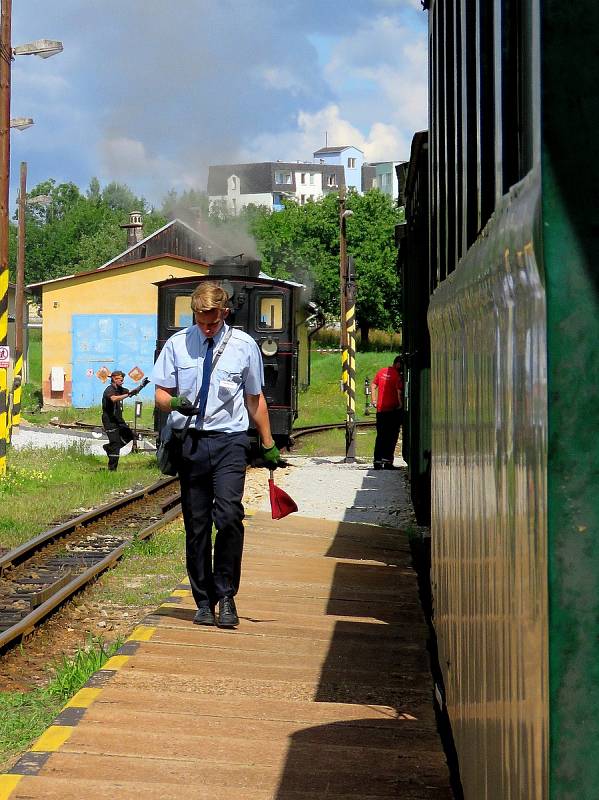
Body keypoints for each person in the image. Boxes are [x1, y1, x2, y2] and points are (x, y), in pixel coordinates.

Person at [151, 282, 280, 629]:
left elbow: (254, 398)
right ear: (193, 314)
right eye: (201, 319)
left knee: (228, 517)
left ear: (224, 313)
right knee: (196, 526)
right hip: (191, 442)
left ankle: (226, 595)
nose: (207, 326)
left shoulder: (244, 346)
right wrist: (175, 402)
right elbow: (160, 394)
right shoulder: (178, 344)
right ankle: (203, 600)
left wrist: (267, 443)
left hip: (230, 442)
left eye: (213, 319)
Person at [101, 371, 146, 471]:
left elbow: (131, 392)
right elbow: (113, 399)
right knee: (115, 444)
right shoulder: (109, 390)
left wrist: (141, 386)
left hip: (118, 419)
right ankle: (112, 470)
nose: (122, 382)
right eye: (120, 380)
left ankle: (109, 448)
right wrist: (127, 395)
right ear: (114, 379)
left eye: (122, 380)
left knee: (130, 435)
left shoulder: (120, 389)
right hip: (110, 420)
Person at [371, 355, 403, 470]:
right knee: (392, 436)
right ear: (399, 365)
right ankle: (388, 461)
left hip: (380, 410)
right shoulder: (397, 376)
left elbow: (374, 385)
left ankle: (377, 461)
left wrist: (374, 400)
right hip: (393, 410)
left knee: (381, 435)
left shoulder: (381, 371)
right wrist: (401, 405)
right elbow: (399, 392)